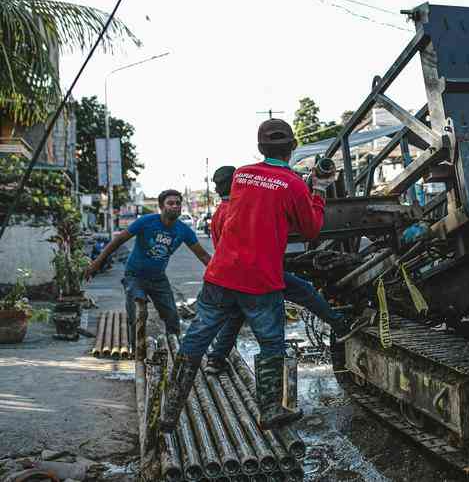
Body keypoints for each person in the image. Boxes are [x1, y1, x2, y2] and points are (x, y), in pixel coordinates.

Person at [162, 119, 334, 433]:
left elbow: (261, 198)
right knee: (271, 345)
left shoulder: (241, 175)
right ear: (293, 147)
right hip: (259, 281)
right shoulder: (294, 184)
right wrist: (318, 189)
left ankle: (169, 412)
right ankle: (269, 412)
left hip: (220, 276)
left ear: (259, 148)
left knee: (196, 340)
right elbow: (310, 229)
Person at [203, 165, 368, 375]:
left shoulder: (221, 212)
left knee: (236, 315)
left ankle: (215, 359)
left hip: (236, 276)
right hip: (258, 273)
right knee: (305, 291)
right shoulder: (238, 210)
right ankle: (340, 325)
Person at [85, 190, 212, 357]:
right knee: (138, 314)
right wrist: (97, 262)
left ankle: (173, 352)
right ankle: (135, 352)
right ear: (161, 207)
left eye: (178, 203)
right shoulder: (146, 222)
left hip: (158, 279)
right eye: (170, 203)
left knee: (172, 318)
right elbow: (118, 240)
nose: (175, 206)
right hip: (134, 276)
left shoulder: (184, 231)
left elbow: (202, 255)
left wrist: (218, 274)